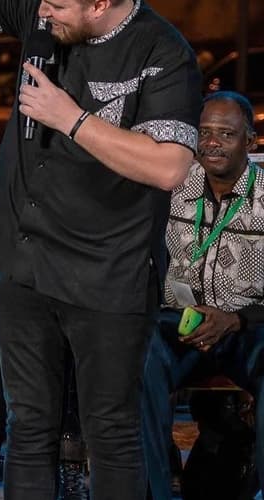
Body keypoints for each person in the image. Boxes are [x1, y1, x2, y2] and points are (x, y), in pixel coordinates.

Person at [0, 0, 202, 498]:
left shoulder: (165, 52)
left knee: (109, 432)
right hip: (24, 262)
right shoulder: (44, 14)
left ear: (100, 3)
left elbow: (169, 167)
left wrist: (70, 118)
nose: (45, 9)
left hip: (107, 271)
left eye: (60, 3)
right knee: (26, 427)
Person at [141, 91, 264, 500]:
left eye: (225, 134)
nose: (211, 143)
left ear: (250, 141)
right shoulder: (174, 183)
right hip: (180, 322)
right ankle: (154, 490)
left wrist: (236, 319)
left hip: (248, 327)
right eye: (204, 133)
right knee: (137, 356)